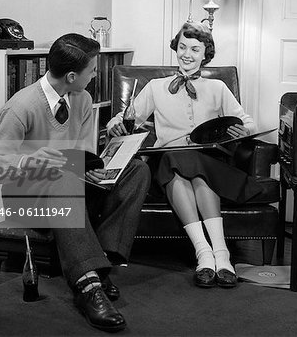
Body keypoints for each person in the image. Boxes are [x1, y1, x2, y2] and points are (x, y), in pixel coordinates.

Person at [0, 33, 151, 332]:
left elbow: (81, 156)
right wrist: (30, 161)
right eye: (93, 69)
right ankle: (88, 286)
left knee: (137, 170)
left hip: (69, 186)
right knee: (61, 173)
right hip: (27, 197)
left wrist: (99, 160)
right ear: (72, 76)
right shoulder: (21, 107)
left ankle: (101, 264)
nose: (96, 73)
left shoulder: (82, 99)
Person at [107, 22, 262, 288]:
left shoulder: (218, 89)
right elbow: (124, 119)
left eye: (195, 49)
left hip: (208, 163)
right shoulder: (156, 87)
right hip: (167, 161)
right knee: (176, 160)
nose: (187, 54)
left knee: (194, 166)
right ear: (175, 49)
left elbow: (251, 124)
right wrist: (114, 124)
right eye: (182, 47)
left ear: (205, 54)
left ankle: (216, 254)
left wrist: (240, 130)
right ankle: (209, 253)